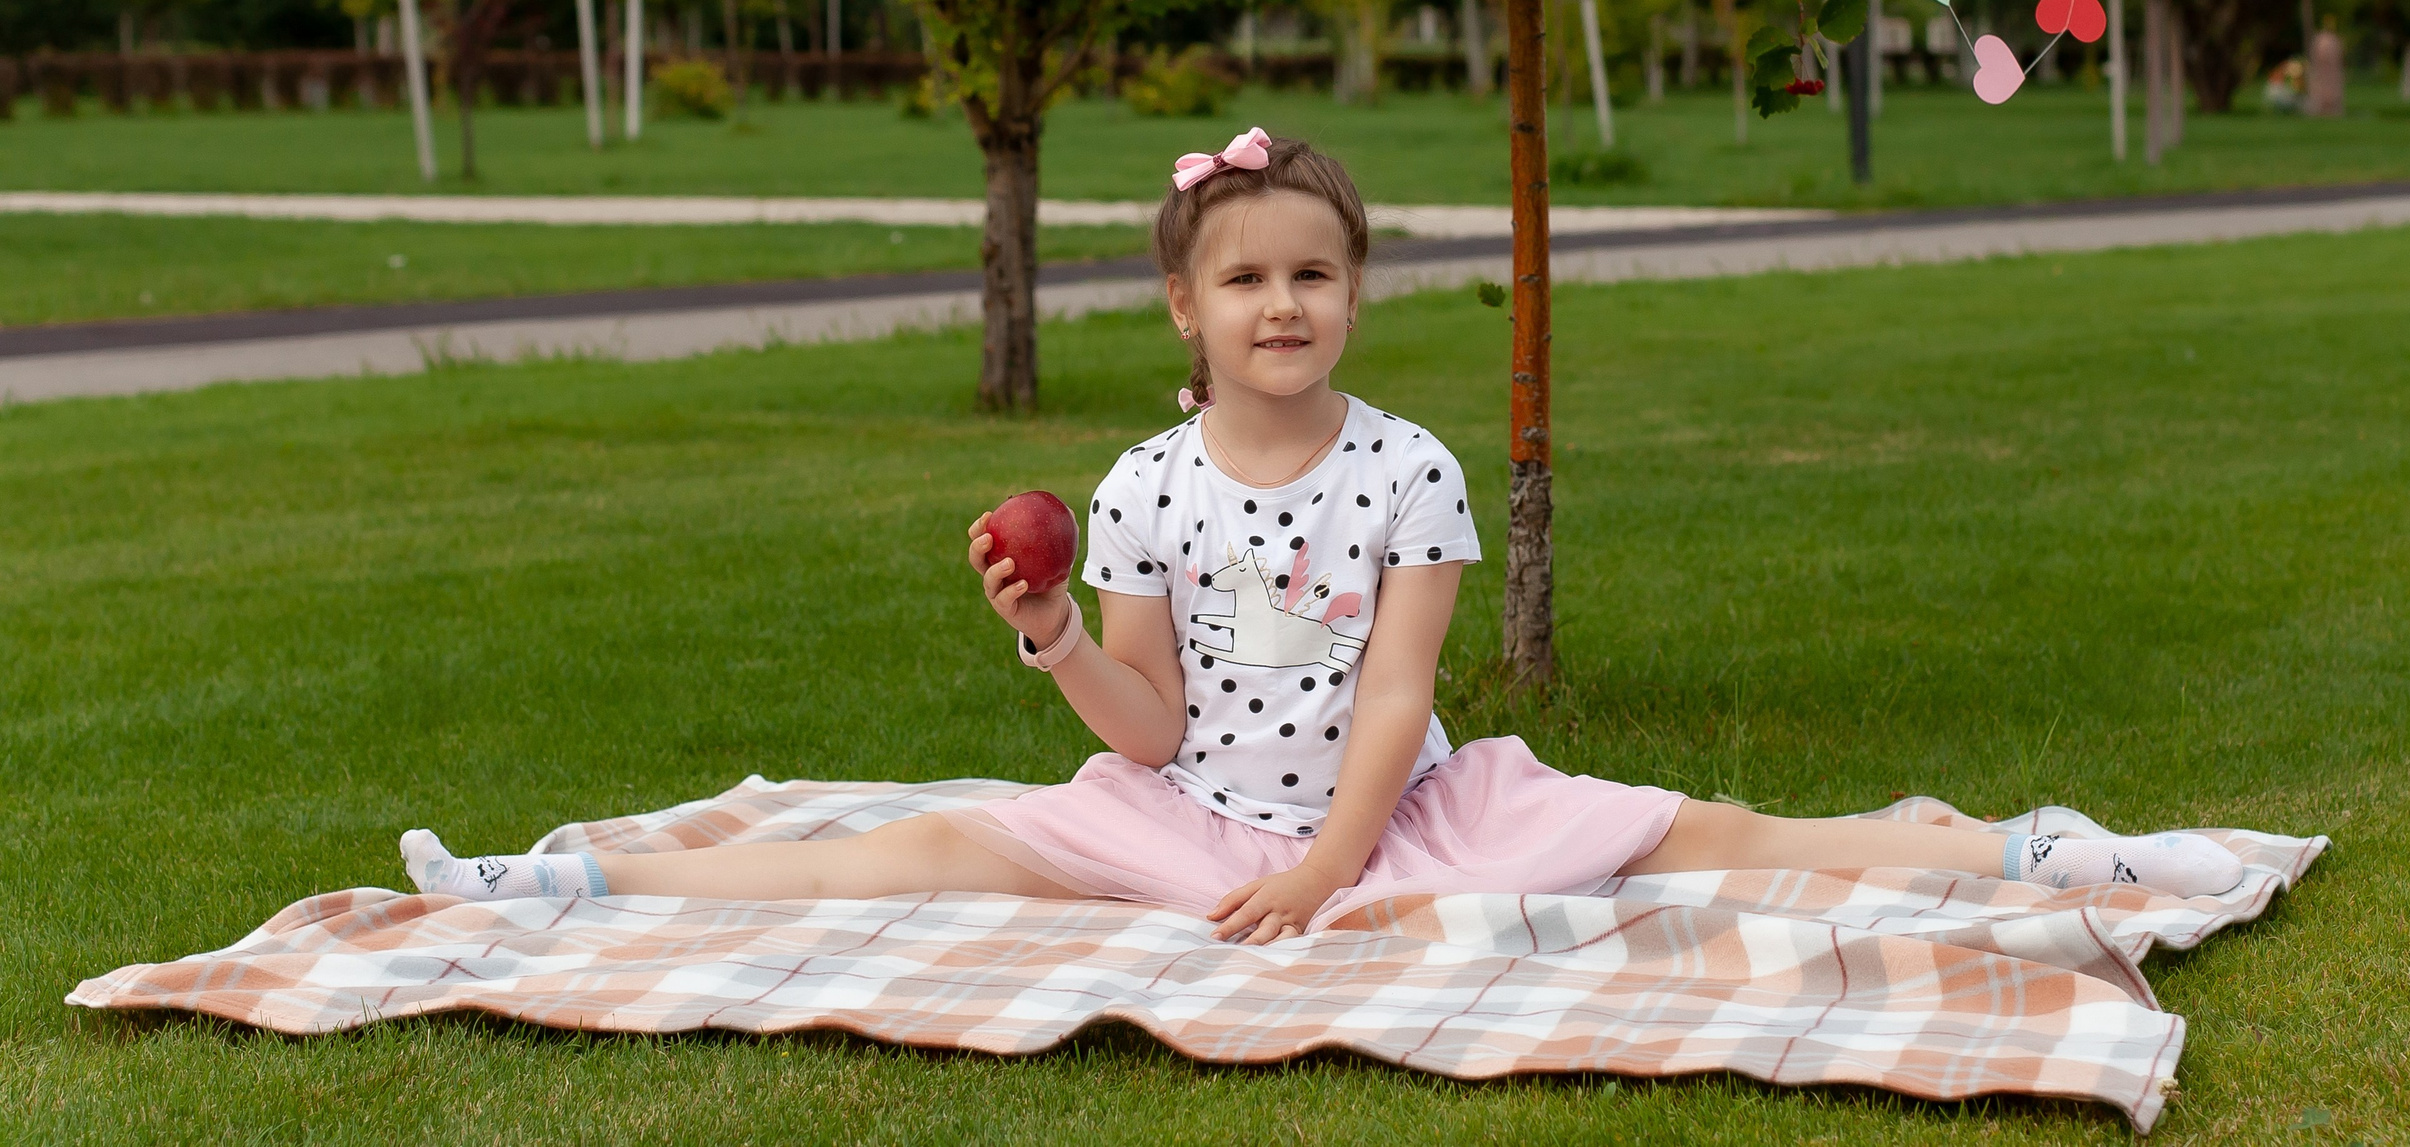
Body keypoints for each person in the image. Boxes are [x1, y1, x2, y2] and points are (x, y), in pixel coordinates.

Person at [404, 128, 2243, 939]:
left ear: (1354, 298)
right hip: (1191, 808)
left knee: (1721, 844)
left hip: (1406, 807)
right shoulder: (1137, 488)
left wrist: (1330, 876)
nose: (1280, 306)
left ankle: (2013, 849)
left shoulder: (1410, 471)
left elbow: (1394, 695)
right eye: (1244, 280)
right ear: (1185, 313)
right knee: (903, 857)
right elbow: (1146, 723)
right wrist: (1049, 640)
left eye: (1314, 275)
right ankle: (560, 885)